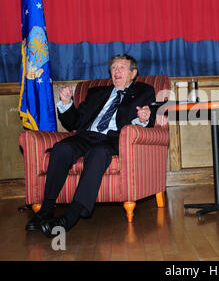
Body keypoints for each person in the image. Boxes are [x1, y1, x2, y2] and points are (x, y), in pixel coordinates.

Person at [25, 54, 156, 237]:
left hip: (114, 139)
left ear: (133, 73)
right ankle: (46, 210)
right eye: (113, 68)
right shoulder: (96, 92)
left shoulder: (144, 91)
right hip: (87, 135)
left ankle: (70, 217)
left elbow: (149, 115)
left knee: (98, 154)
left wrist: (144, 118)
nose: (116, 71)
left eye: (122, 67)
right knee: (61, 148)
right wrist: (66, 103)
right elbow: (75, 122)